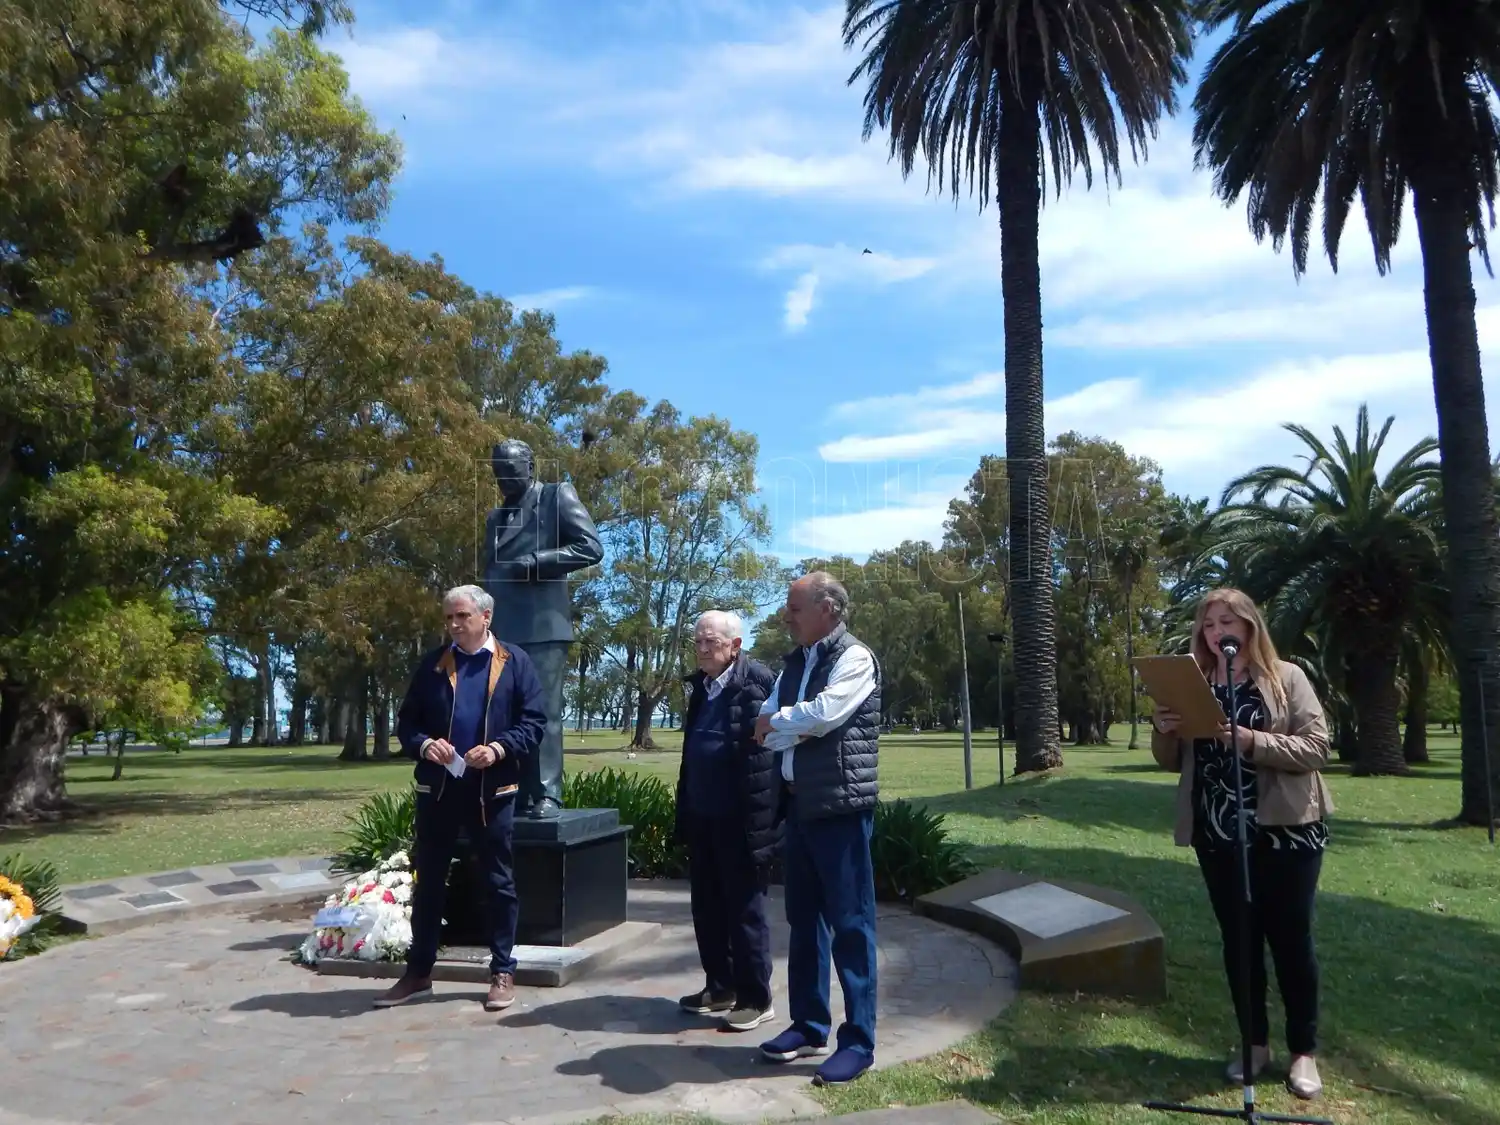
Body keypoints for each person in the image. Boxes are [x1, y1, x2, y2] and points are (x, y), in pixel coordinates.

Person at [1150, 587, 1334, 1101]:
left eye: (1228, 622)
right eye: (1209, 625)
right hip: (1218, 833)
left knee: (1291, 941)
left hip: (1287, 833)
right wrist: (1164, 729)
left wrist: (1252, 741)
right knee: (1240, 942)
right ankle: (1254, 1045)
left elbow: (1316, 747)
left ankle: (1303, 1052)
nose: (1218, 633)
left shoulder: (1286, 678)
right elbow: (1171, 761)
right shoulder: (1196, 682)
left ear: (1251, 626)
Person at [376, 584, 548, 1012]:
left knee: (498, 882)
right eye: (448, 618)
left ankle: (503, 971)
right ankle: (418, 974)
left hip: (493, 792)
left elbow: (534, 721)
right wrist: (423, 745)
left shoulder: (514, 663)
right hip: (438, 792)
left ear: (485, 618)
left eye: (462, 617)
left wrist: (498, 749)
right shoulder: (433, 664)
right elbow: (408, 723)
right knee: (430, 882)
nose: (453, 625)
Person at [753, 571, 881, 1087]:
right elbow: (765, 728)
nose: (787, 616)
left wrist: (784, 722)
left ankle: (859, 1043)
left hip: (840, 810)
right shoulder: (794, 665)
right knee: (804, 924)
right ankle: (808, 1026)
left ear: (828, 608)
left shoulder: (855, 657)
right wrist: (786, 722)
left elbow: (825, 716)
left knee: (851, 927)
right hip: (799, 810)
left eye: (795, 607)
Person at [482, 437, 603, 819]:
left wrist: (536, 562)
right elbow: (490, 574)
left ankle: (548, 794)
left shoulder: (555, 496)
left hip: (543, 627)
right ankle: (515, 789)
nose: (505, 480)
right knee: (507, 714)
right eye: (499, 474)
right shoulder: (495, 518)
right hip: (501, 630)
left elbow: (590, 547)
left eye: (512, 472)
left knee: (545, 713)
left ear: (531, 467)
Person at [673, 610, 780, 1032]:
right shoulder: (701, 686)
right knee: (708, 909)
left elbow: (765, 762)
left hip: (741, 820)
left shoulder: (758, 684)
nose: (701, 649)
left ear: (735, 645)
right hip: (703, 817)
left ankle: (756, 997)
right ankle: (720, 987)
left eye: (710, 643)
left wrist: (761, 826)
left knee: (744, 913)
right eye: (697, 641)